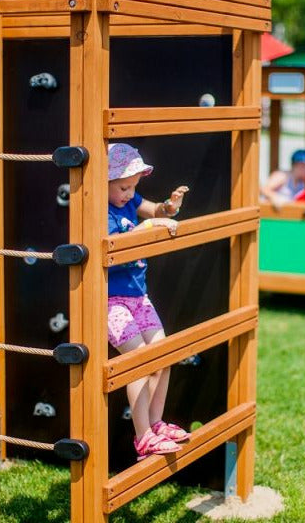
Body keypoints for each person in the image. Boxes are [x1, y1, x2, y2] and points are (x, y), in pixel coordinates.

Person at [107, 143, 191, 460]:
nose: (129, 194)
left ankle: (156, 425)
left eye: (133, 187)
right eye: (123, 187)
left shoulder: (130, 201)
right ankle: (142, 437)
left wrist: (169, 207)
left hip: (138, 296)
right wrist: (149, 226)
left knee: (162, 354)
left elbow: (154, 212)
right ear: (104, 182)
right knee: (138, 361)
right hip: (111, 301)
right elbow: (118, 243)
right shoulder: (100, 211)